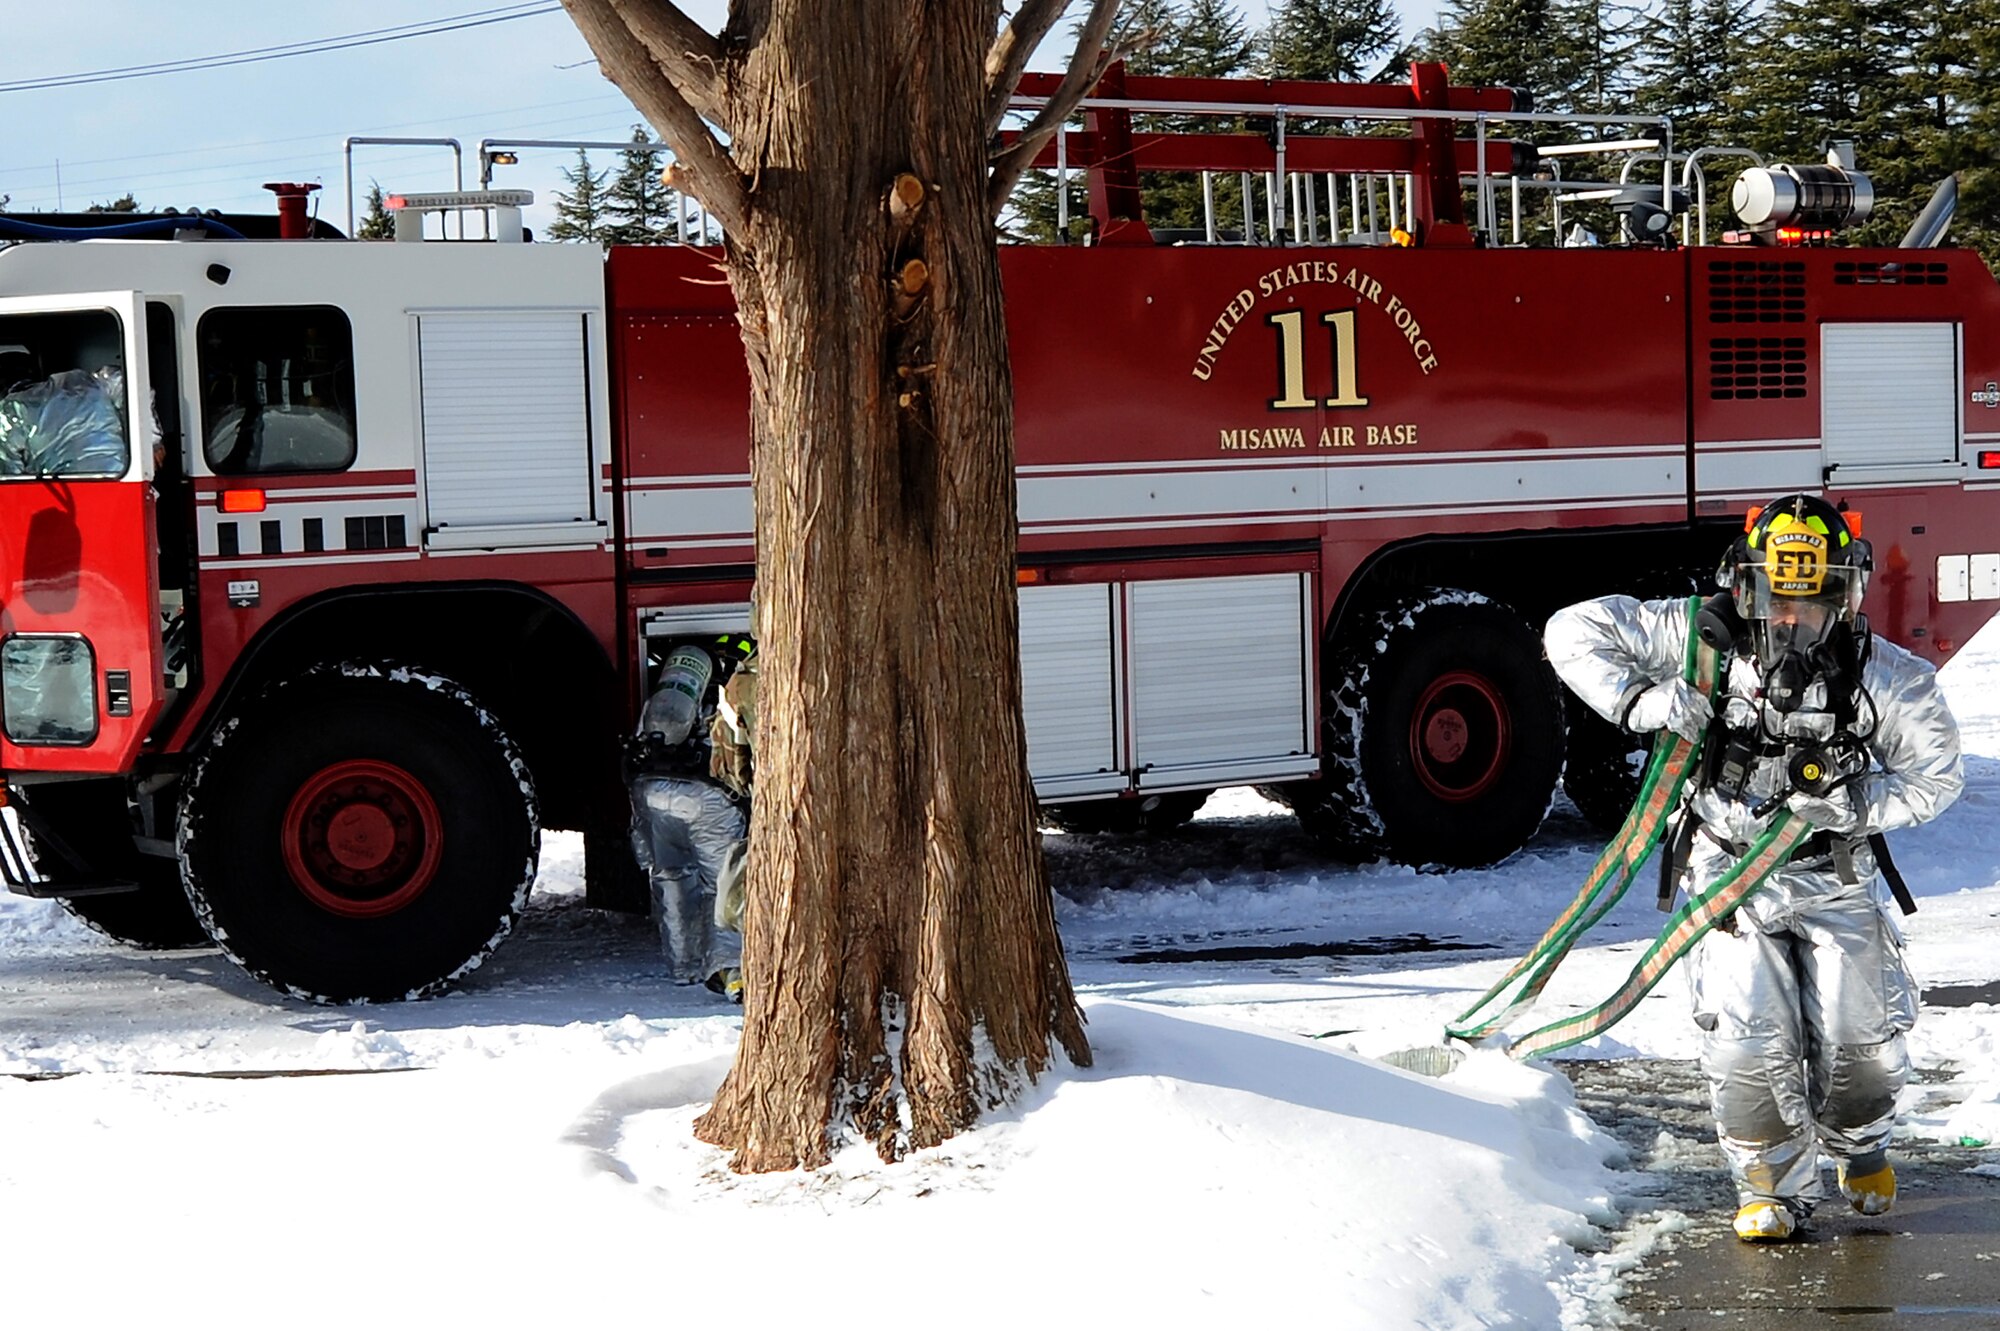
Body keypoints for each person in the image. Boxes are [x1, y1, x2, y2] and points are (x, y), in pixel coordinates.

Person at [1544, 494, 1963, 1243]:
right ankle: (1769, 1184)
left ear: (1847, 596)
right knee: (1744, 1031)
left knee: (1857, 1030)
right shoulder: (1696, 639)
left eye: (1815, 600)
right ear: (1743, 586)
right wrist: (1640, 697)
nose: (1793, 619)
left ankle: (1861, 1145)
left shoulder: (1888, 678)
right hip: (1727, 870)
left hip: (1832, 870)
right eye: (1776, 598)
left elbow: (1937, 776)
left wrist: (1857, 806)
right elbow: (1570, 629)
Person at [625, 634, 755, 1001]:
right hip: (705, 802)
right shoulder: (728, 694)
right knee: (724, 886)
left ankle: (684, 967)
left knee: (670, 878)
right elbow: (733, 753)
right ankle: (732, 970)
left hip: (651, 795)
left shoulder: (658, 703)